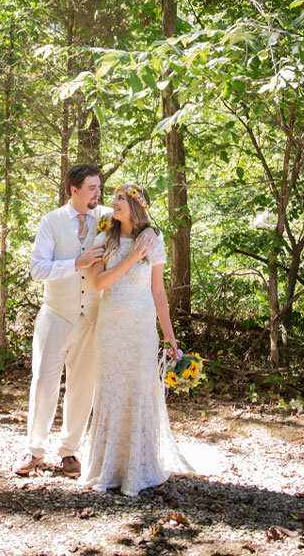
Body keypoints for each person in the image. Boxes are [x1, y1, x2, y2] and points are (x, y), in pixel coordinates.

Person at [80, 183, 194, 495]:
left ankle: (138, 467)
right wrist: (131, 259)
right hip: (112, 328)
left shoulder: (153, 242)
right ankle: (108, 470)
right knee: (112, 390)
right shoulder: (104, 240)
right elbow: (99, 283)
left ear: (135, 206)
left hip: (142, 329)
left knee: (139, 390)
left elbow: (159, 293)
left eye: (120, 199)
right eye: (113, 198)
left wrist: (171, 339)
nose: (113, 203)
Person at [14, 164, 111, 477]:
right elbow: (38, 269)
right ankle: (34, 450)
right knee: (44, 382)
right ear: (74, 190)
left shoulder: (107, 218)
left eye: (99, 187)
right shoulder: (52, 221)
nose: (98, 193)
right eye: (92, 188)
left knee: (83, 386)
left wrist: (150, 233)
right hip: (55, 314)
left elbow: (142, 220)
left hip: (92, 317)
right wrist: (75, 264)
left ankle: (69, 451)